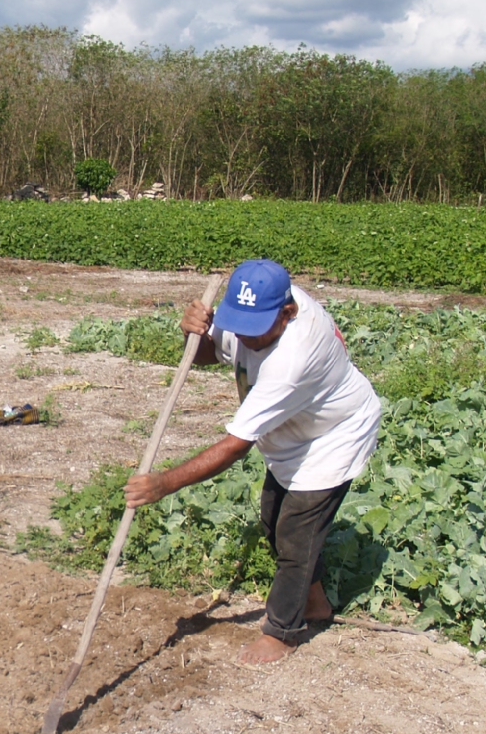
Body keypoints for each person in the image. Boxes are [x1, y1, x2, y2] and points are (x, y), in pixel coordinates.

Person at [123, 259, 381, 665]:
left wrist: (164, 484)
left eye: (254, 328)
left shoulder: (295, 357)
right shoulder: (251, 315)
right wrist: (193, 334)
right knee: (272, 517)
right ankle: (314, 603)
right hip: (292, 430)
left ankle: (283, 631)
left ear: (288, 313)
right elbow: (211, 354)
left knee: (297, 531)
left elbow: (235, 446)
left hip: (333, 436)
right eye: (237, 323)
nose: (244, 335)